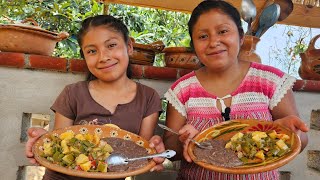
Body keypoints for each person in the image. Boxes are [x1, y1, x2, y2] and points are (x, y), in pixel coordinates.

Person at [163, 1, 309, 179]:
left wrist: (289, 135)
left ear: (241, 37)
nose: (214, 42)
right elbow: (170, 148)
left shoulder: (270, 81)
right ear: (193, 45)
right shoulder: (182, 90)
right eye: (202, 36)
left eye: (223, 31)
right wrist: (184, 140)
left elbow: (300, 142)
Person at [25, 15, 165, 180]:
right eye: (92, 51)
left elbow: (142, 151)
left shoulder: (148, 98)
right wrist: (45, 141)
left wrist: (155, 150)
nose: (103, 57)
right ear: (84, 56)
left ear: (129, 47)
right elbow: (60, 142)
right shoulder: (73, 93)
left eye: (111, 45)